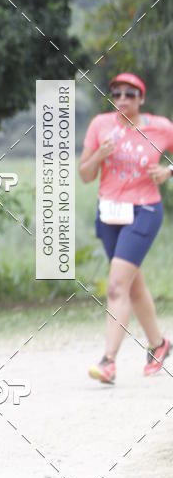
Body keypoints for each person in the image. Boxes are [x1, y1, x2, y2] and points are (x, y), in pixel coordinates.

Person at [79, 72, 173, 384]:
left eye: (129, 95)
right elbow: (85, 175)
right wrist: (99, 155)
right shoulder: (100, 125)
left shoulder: (160, 127)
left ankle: (108, 362)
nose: (121, 100)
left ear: (141, 99)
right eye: (116, 94)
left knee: (118, 285)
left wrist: (167, 170)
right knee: (132, 285)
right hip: (109, 214)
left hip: (145, 210)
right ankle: (160, 345)